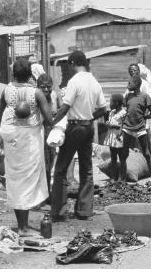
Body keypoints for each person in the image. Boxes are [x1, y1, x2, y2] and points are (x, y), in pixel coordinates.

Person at [50, 50, 107, 221]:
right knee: (86, 169)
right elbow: (104, 109)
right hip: (88, 127)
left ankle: (59, 212)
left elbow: (65, 107)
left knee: (60, 169)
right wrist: (89, 117)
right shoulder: (95, 82)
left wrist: (51, 122)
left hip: (74, 127)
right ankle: (84, 211)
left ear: (73, 64)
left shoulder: (74, 82)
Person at [0, 59, 53, 237]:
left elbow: (1, 116)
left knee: (15, 180)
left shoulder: (6, 90)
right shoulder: (36, 93)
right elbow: (49, 120)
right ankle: (23, 228)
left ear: (13, 73)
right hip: (29, 140)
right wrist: (65, 111)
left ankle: (21, 225)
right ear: (31, 74)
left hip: (12, 140)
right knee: (28, 181)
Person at [121, 75, 151, 183]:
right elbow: (125, 111)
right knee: (124, 153)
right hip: (127, 128)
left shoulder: (145, 97)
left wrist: (143, 117)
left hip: (140, 128)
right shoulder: (127, 96)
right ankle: (121, 179)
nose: (128, 86)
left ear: (136, 84)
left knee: (146, 153)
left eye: (129, 84)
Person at [37, 74, 62, 203]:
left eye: (48, 87)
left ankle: (47, 193)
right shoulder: (35, 97)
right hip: (38, 134)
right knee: (41, 166)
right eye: (43, 87)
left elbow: (61, 110)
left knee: (49, 164)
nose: (46, 90)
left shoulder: (54, 96)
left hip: (51, 134)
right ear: (38, 87)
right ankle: (42, 195)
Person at [128, 63, 151, 158]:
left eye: (135, 70)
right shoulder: (131, 84)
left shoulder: (144, 84)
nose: (133, 72)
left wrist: (145, 114)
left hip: (142, 118)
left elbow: (150, 99)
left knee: (146, 139)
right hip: (133, 120)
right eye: (131, 71)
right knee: (137, 143)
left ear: (139, 71)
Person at [104, 94, 126, 181]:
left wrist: (114, 126)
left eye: (111, 102)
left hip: (120, 138)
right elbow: (110, 122)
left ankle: (122, 178)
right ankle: (114, 177)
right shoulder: (112, 112)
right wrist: (107, 124)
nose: (110, 104)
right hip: (112, 138)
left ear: (117, 103)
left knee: (122, 159)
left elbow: (125, 125)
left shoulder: (123, 113)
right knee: (113, 158)